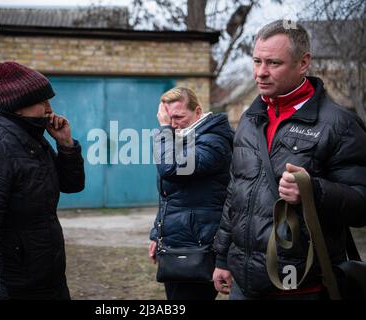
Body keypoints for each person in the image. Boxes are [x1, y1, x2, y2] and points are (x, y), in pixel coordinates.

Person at [213, 20, 366, 300]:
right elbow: (234, 194)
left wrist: (313, 191)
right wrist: (222, 258)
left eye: (273, 63)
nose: (261, 73)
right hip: (243, 286)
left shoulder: (339, 124)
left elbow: (361, 205)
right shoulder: (249, 119)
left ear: (303, 62)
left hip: (300, 287)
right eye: (257, 61)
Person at [0, 61, 85, 299]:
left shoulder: (34, 143)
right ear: (18, 107)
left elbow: (72, 185)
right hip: (16, 289)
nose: (50, 109)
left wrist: (66, 145)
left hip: (49, 281)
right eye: (42, 102)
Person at [148, 87, 234, 300]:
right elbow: (172, 196)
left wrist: (164, 129)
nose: (173, 124)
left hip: (199, 246)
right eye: (169, 118)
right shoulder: (184, 137)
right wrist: (157, 235)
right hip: (179, 242)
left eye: (178, 117)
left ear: (198, 112)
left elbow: (170, 168)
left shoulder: (213, 141)